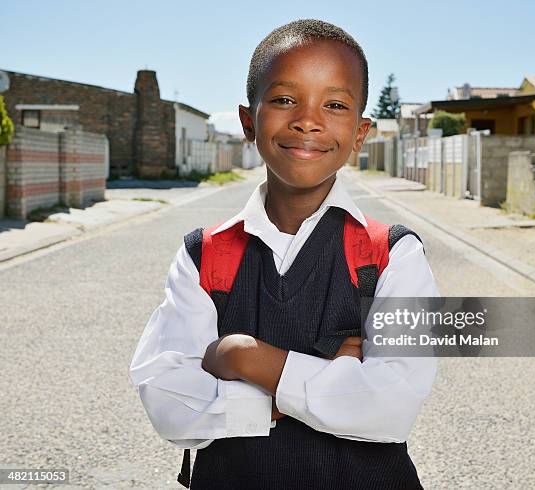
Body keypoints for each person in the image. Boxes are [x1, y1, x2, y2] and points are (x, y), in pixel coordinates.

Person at [129, 18, 439, 490]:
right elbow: (170, 406)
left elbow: (392, 407)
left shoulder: (394, 254)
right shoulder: (205, 253)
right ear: (249, 122)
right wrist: (317, 386)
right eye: (284, 99)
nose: (308, 120)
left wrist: (242, 357)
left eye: (335, 104)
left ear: (360, 134)